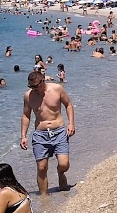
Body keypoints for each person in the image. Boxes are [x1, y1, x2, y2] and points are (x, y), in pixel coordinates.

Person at [19, 66, 76, 196]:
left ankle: (60, 173)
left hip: (60, 131)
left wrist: (71, 124)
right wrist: (23, 136)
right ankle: (44, 198)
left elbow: (68, 105)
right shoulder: (28, 95)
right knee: (41, 168)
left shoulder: (57, 89)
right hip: (40, 134)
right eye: (31, 87)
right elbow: (26, 115)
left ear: (43, 80)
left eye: (36, 86)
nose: (34, 89)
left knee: (64, 164)